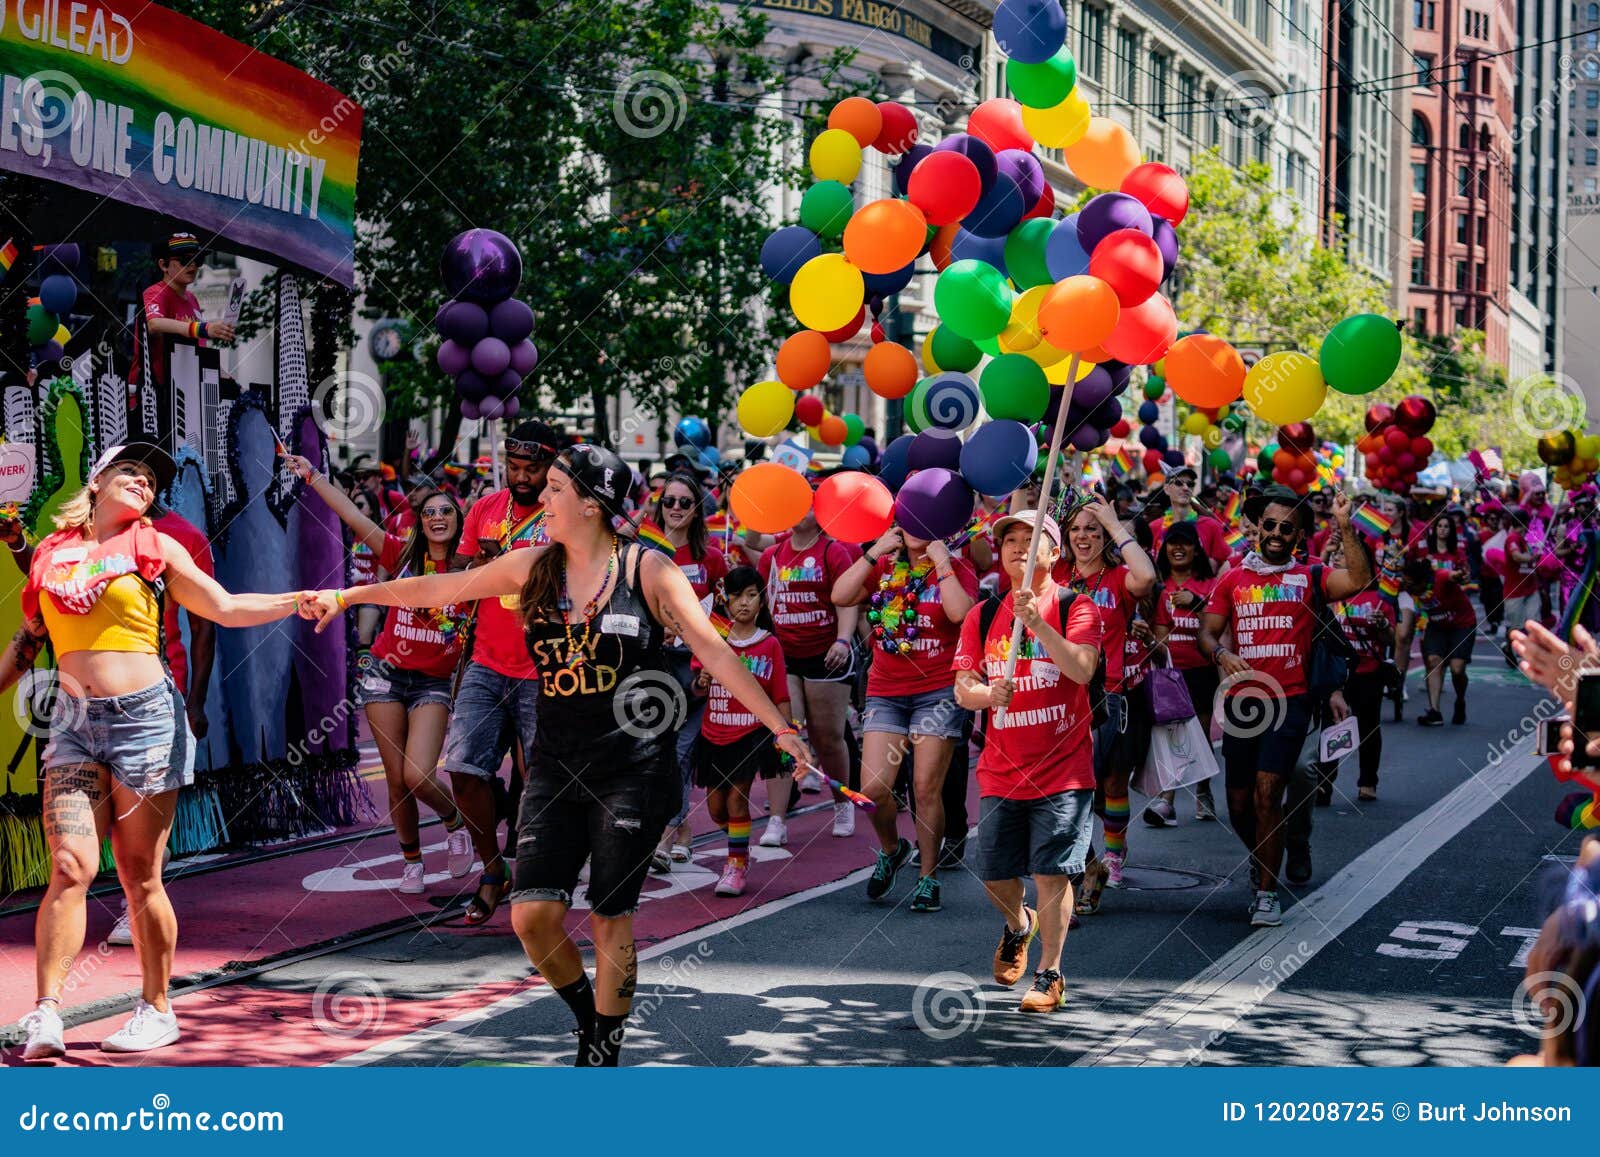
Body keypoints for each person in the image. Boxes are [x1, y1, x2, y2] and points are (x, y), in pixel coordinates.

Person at [301, 443, 814, 1066]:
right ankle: (588, 1020)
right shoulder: (533, 565)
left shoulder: (647, 572)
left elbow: (716, 651)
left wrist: (780, 727)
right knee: (533, 917)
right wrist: (351, 599)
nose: (541, 498)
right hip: (554, 767)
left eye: (554, 489)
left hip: (632, 770)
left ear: (592, 503)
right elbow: (442, 586)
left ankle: (602, 1051)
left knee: (608, 915)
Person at [13, 443, 301, 1059]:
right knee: (69, 868)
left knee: (140, 874)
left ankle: (156, 1007)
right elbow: (26, 643)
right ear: (96, 483)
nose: (143, 482)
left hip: (145, 721)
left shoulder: (157, 547)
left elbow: (221, 607)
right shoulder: (51, 555)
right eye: (129, 471)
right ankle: (45, 1015)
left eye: (150, 478)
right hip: (70, 725)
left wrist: (297, 601)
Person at [287, 454, 474, 892]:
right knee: (396, 782)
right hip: (385, 677)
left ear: (457, 520)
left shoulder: (473, 573)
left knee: (419, 775)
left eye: (446, 510)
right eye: (429, 512)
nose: (437, 517)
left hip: (432, 684)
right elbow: (351, 513)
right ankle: (413, 863)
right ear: (420, 523)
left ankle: (455, 822)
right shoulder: (400, 555)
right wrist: (312, 476)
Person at [1196, 484, 1369, 929]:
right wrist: (1220, 655)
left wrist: (1345, 526)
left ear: (1299, 535)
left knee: (1267, 793)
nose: (1275, 533)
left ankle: (1267, 893)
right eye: (1268, 525)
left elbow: (1359, 580)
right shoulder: (1232, 578)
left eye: (1286, 528)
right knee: (1238, 805)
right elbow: (1207, 632)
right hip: (1242, 704)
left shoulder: (1310, 575)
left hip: (1289, 701)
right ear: (1256, 529)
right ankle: (1265, 855)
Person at [953, 510, 1101, 1012]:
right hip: (1001, 768)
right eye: (1009, 540)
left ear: (1054, 552)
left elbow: (1081, 671)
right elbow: (963, 688)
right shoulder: (983, 613)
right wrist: (986, 693)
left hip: (1064, 770)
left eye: (1030, 539)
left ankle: (1050, 972)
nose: (1018, 547)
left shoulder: (1076, 606)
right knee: (995, 873)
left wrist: (1037, 623)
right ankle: (1019, 924)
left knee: (1051, 871)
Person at [443, 421, 560, 924]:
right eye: (513, 467)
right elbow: (462, 577)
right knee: (463, 769)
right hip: (487, 661)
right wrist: (471, 583)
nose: (520, 476)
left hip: (545, 667)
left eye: (531, 468)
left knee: (541, 782)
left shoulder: (564, 514)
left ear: (550, 467)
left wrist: (519, 563)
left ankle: (537, 876)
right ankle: (493, 870)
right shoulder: (486, 510)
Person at [832, 521, 978, 912]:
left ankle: (928, 877)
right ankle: (892, 849)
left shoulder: (958, 568)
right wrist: (873, 551)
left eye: (930, 519)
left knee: (925, 786)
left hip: (939, 692)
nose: (918, 527)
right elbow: (840, 594)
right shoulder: (884, 566)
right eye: (909, 519)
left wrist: (942, 563)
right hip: (886, 690)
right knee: (873, 791)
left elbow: (961, 614)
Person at [1057, 495, 1156, 909]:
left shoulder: (1119, 579)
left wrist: (1115, 524)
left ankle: (1106, 858)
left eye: (1092, 529)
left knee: (1101, 784)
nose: (1084, 536)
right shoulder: (1055, 573)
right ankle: (1087, 866)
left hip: (1105, 699)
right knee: (1065, 792)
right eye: (1077, 528)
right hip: (1056, 695)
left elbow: (1147, 577)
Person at [757, 499, 861, 838]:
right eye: (795, 504)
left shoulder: (833, 551)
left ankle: (842, 803)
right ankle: (777, 820)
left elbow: (846, 599)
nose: (801, 510)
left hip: (826, 656)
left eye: (810, 505)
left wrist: (843, 640)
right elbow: (760, 605)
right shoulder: (771, 556)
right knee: (787, 733)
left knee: (828, 739)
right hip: (785, 657)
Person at [692, 567, 790, 897]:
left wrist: (788, 737)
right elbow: (695, 688)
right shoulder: (712, 638)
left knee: (737, 799)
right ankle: (741, 846)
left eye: (751, 595)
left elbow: (780, 695)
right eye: (736, 596)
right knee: (716, 809)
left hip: (750, 734)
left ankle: (735, 864)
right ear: (726, 600)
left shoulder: (770, 645)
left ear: (762, 602)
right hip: (713, 734)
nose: (743, 603)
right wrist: (701, 682)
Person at [650, 471, 730, 867]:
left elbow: (730, 613)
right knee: (658, 752)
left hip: (696, 669)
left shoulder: (711, 557)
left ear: (697, 509)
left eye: (685, 502)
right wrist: (656, 630)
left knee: (679, 753)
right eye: (670, 501)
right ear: (659, 506)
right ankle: (681, 828)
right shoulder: (646, 552)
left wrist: (701, 644)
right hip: (653, 669)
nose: (677, 508)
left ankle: (665, 837)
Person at [1149, 520, 1220, 823]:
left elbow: (1219, 626)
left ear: (1197, 549)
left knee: (1201, 737)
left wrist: (1198, 603)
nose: (1178, 548)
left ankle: (1203, 791)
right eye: (1172, 543)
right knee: (1172, 736)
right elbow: (1155, 633)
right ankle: (1168, 800)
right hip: (1168, 675)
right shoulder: (1156, 585)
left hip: (1201, 672)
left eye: (1186, 542)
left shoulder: (1209, 584)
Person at [1323, 534, 1394, 803]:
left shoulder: (1379, 596)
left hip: (1369, 673)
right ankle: (1325, 783)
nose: (1339, 557)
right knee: (1330, 728)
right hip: (1336, 674)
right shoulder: (1330, 590)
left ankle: (1367, 781)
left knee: (1368, 728)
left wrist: (1383, 627)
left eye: (1345, 553)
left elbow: (1391, 640)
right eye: (1337, 553)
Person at [130, 232, 234, 387]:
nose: (193, 265)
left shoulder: (192, 299)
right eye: (185, 260)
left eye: (198, 260)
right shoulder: (155, 292)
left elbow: (200, 351)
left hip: (186, 394)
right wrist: (201, 328)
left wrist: (232, 384)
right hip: (153, 397)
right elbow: (153, 324)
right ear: (163, 265)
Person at [1402, 551, 1477, 727]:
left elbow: (1452, 575)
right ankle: (1434, 711)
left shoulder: (1440, 578)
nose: (1407, 587)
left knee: (1457, 669)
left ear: (1421, 581)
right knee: (1433, 660)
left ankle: (1460, 700)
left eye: (1411, 584)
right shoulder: (1410, 587)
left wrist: (1459, 575)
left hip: (1462, 624)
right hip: (1436, 626)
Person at [1149, 465, 1230, 566]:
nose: (1186, 488)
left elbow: (1226, 562)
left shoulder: (1211, 526)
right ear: (1166, 489)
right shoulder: (1154, 527)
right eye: (1179, 483)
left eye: (1190, 484)